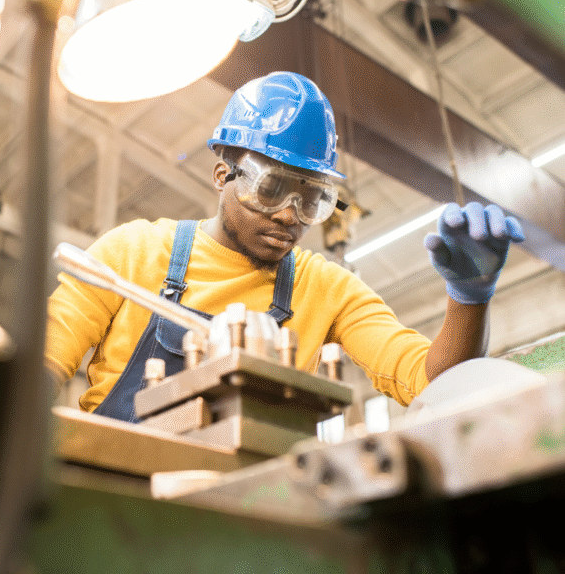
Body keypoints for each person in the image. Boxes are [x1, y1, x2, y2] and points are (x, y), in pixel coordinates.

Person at [44, 71, 524, 422]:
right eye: (271, 188)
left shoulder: (327, 289)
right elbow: (40, 365)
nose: (290, 215)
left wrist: (468, 300)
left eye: (313, 199)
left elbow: (431, 382)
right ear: (222, 175)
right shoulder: (130, 254)